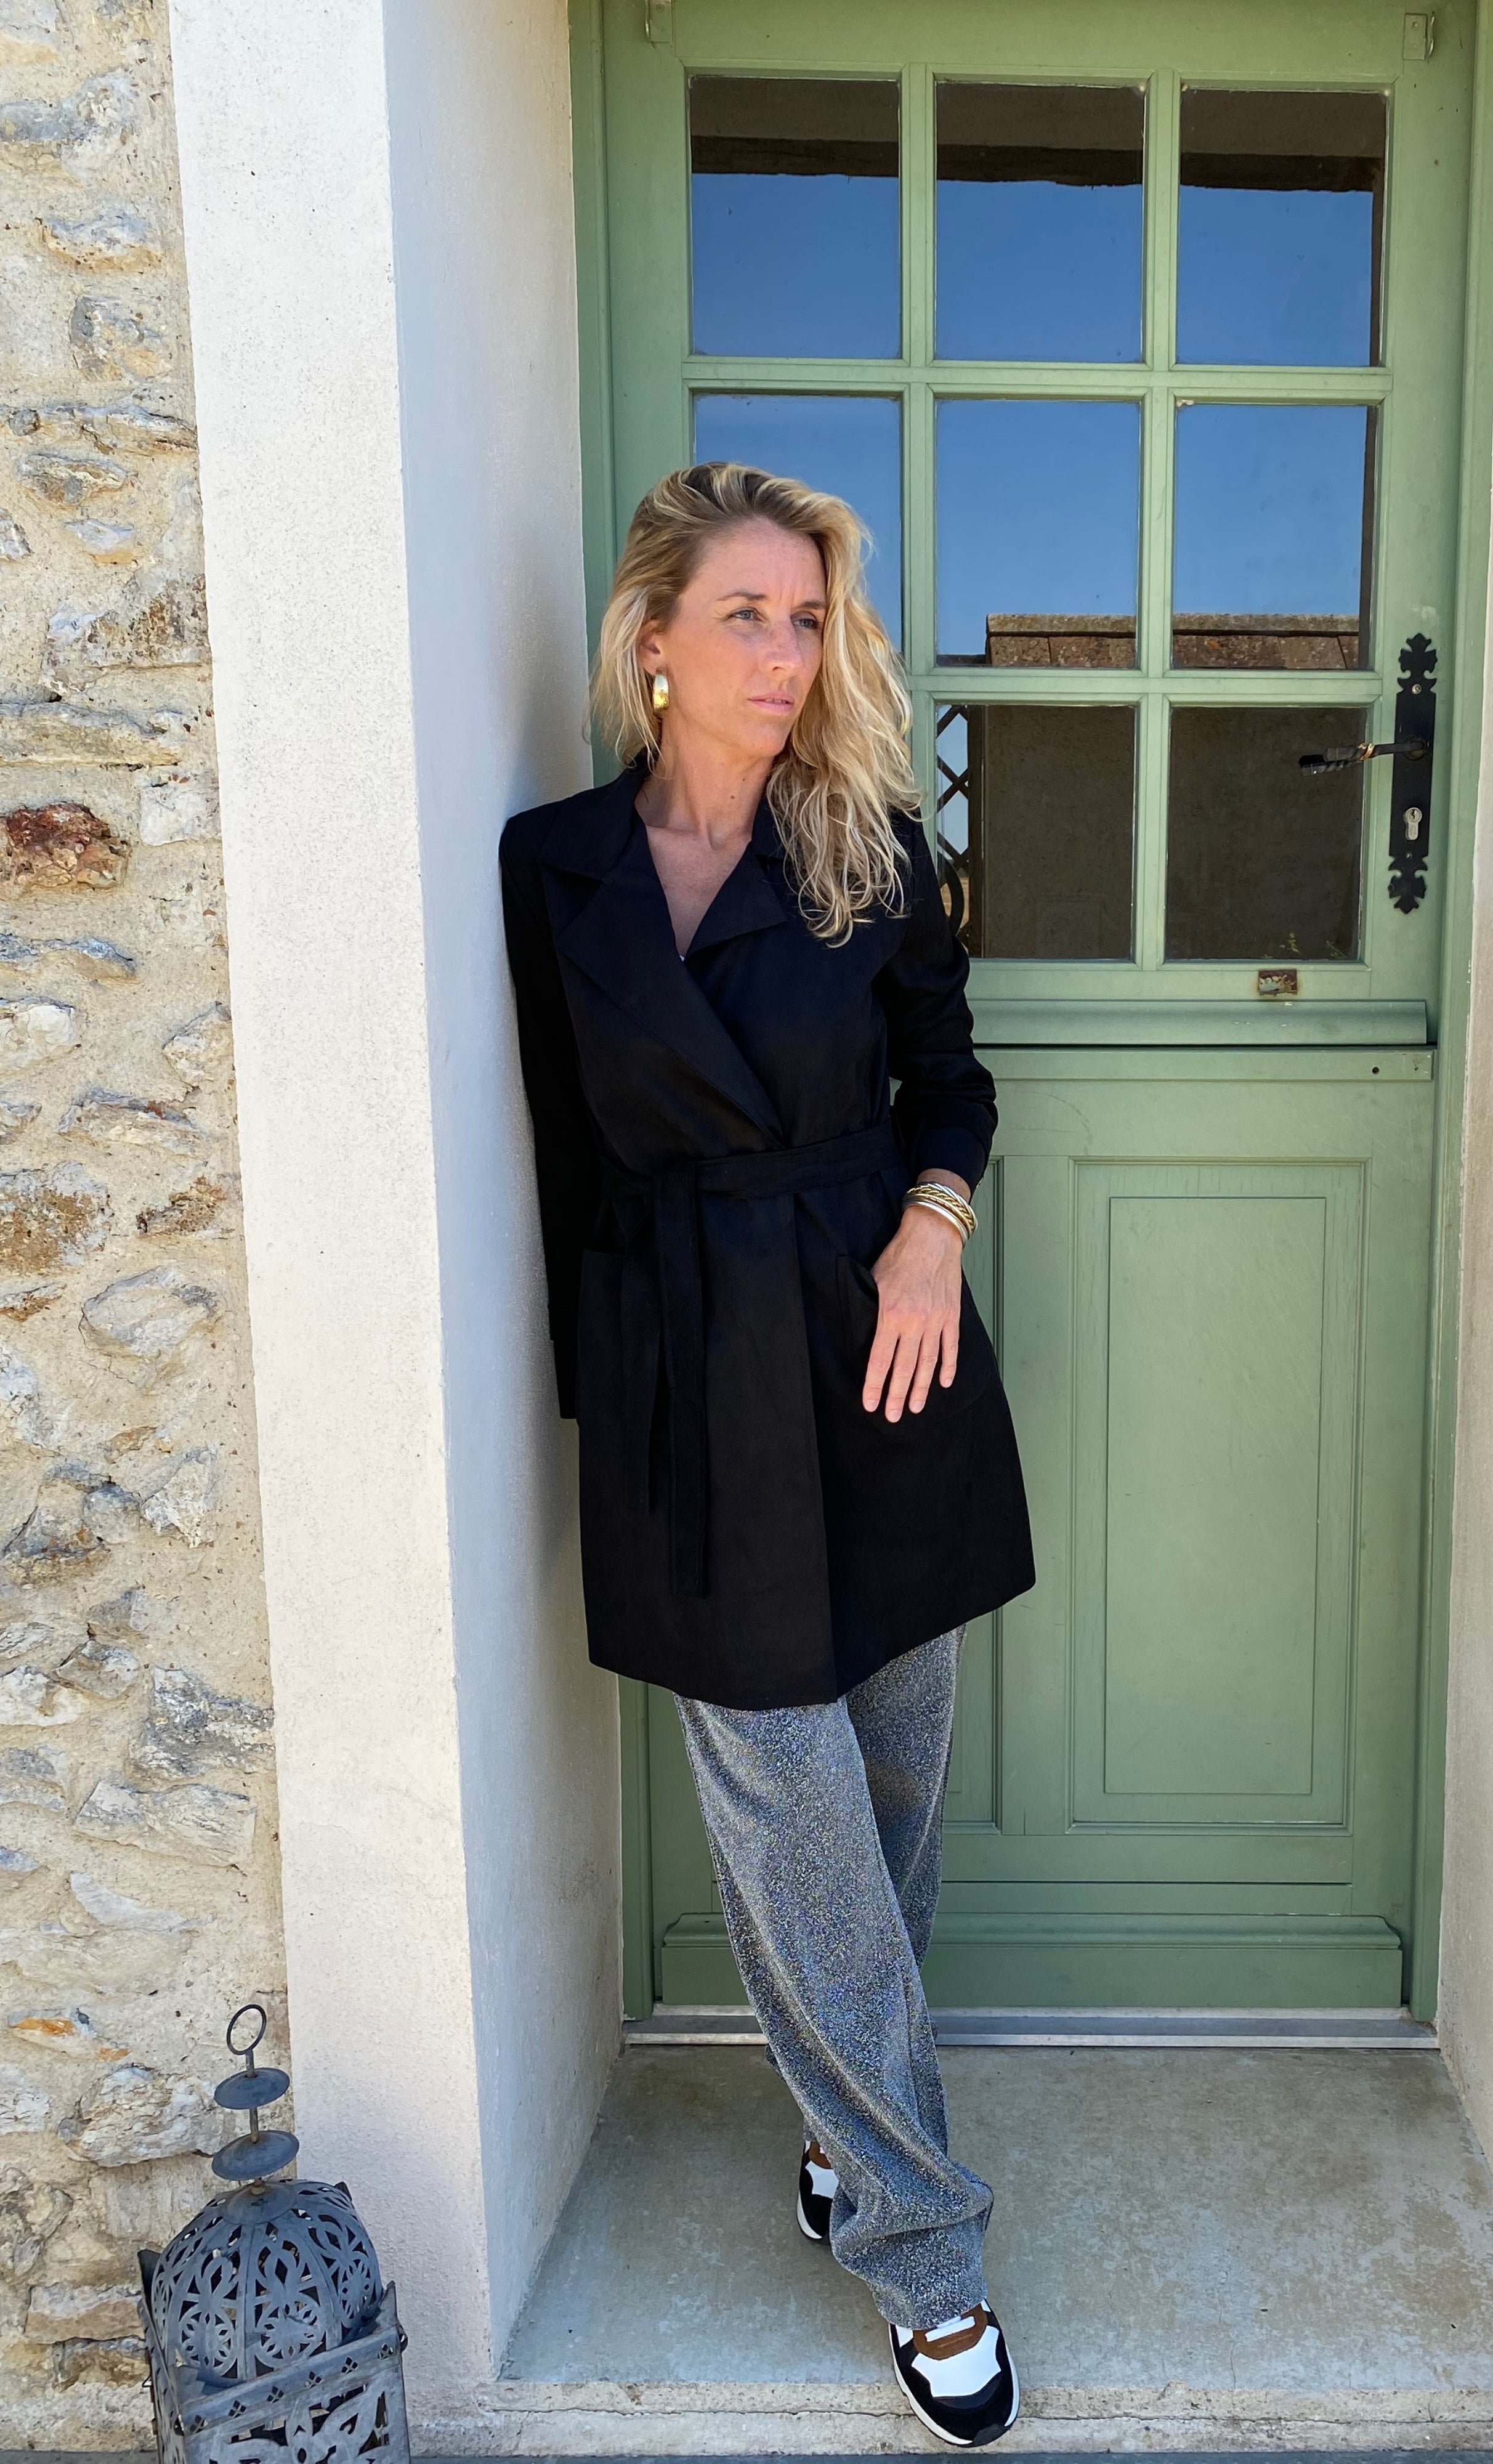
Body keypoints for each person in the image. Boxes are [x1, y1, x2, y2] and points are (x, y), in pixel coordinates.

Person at [500, 461, 1035, 2448]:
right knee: (793, 1812)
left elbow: (951, 1082)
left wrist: (933, 1230)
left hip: (879, 1349)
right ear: (653, 640)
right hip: (684, 1377)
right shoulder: (553, 867)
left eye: (809, 619)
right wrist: (605, 1413)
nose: (786, 653)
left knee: (887, 1785)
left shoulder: (870, 847)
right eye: (746, 614)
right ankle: (924, 2244)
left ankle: (841, 2130)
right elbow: (563, 1161)